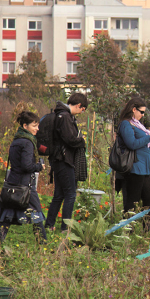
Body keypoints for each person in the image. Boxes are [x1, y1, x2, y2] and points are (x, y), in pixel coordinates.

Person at [0, 112, 46, 243]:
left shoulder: (16, 140)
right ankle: (43, 245)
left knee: (7, 217)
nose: (37, 129)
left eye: (37, 125)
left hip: (12, 183)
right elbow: (27, 166)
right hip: (25, 186)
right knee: (37, 216)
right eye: (34, 126)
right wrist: (39, 166)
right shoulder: (28, 143)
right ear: (25, 125)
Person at [45, 93, 88, 233]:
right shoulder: (65, 117)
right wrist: (82, 140)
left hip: (58, 159)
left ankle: (49, 224)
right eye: (82, 110)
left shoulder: (61, 114)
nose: (81, 113)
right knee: (70, 194)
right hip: (63, 160)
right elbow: (69, 139)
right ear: (78, 106)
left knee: (59, 194)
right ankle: (65, 227)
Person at [116, 97, 150, 215]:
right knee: (132, 202)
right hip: (134, 168)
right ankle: (128, 231)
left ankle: (146, 230)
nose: (143, 115)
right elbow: (132, 144)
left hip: (143, 169)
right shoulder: (126, 124)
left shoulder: (137, 124)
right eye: (141, 112)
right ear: (133, 109)